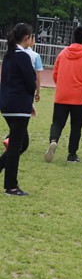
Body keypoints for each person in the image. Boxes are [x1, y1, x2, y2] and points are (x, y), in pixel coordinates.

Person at [45, 25, 82, 163]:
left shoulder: (62, 54)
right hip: (79, 97)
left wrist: (61, 86)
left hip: (62, 95)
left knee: (57, 123)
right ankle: (72, 154)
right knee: (76, 126)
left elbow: (55, 74)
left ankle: (53, 140)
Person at [0, 23, 37, 196]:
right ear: (27, 38)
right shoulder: (22, 56)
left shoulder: (8, 55)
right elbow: (30, 82)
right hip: (18, 106)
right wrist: (29, 101)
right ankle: (11, 186)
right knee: (17, 145)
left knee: (20, 143)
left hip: (8, 104)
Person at [22, 33, 43, 103]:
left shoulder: (14, 53)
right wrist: (38, 92)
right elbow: (38, 77)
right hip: (29, 87)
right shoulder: (36, 56)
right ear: (31, 39)